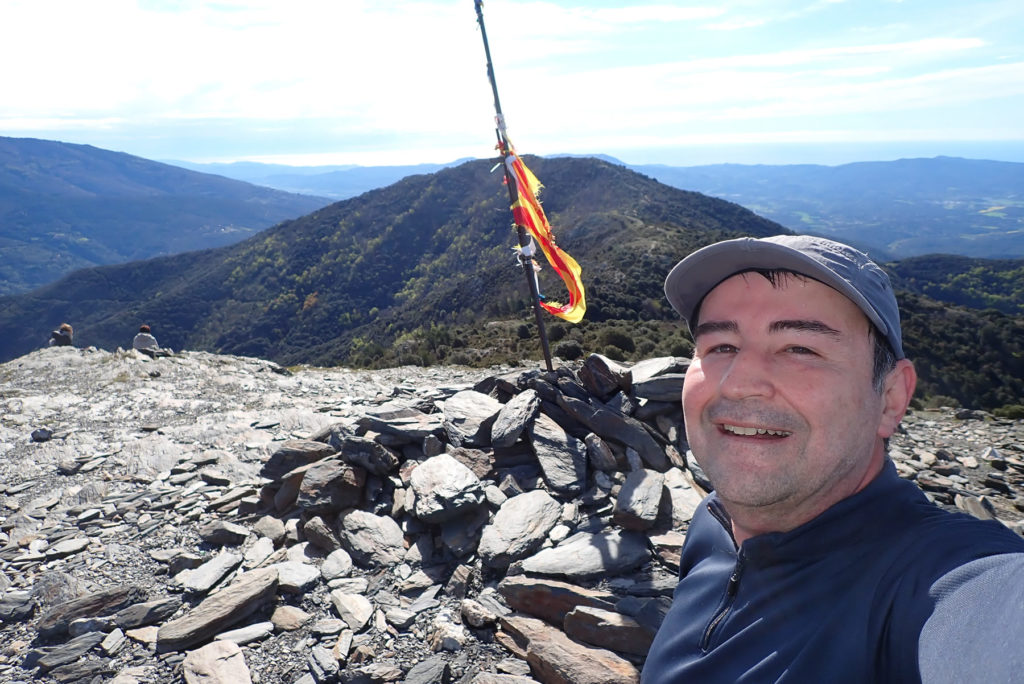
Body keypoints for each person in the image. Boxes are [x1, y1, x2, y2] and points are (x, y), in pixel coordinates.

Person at [642, 234, 1024, 683]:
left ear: (890, 399)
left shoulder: (942, 576)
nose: (738, 382)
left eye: (800, 349)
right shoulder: (713, 523)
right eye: (720, 345)